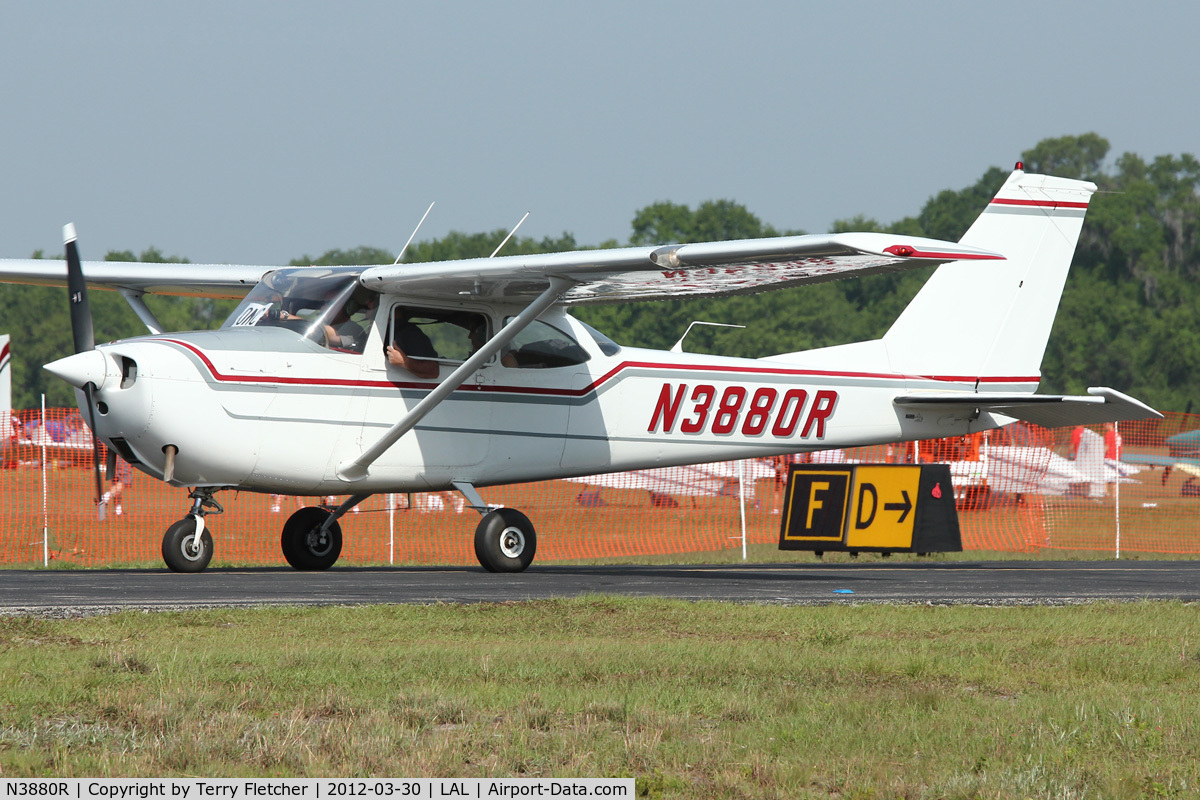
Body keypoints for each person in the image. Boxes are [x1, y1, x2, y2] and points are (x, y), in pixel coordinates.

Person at [387, 309, 439, 378]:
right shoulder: (385, 331)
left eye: (372, 300)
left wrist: (404, 362)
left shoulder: (408, 333)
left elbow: (433, 370)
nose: (368, 304)